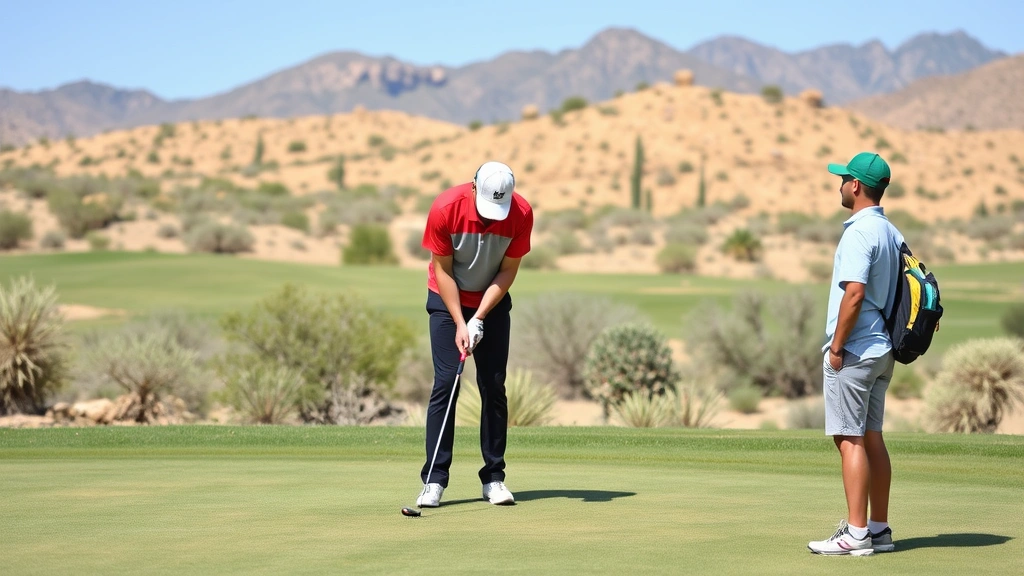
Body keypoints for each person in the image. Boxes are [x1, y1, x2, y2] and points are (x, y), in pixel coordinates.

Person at [414, 161, 534, 508]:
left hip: (491, 303)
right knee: (446, 383)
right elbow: (443, 270)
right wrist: (460, 321)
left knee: (493, 385)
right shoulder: (445, 208)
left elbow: (509, 270)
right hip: (446, 298)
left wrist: (479, 316)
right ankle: (434, 481)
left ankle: (494, 478)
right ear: (472, 188)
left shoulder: (521, 213)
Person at [808, 152, 904, 556]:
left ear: (856, 186)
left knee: (850, 439)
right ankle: (878, 529)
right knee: (871, 436)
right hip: (882, 350)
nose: (840, 183)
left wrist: (836, 348)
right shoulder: (892, 232)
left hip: (856, 350)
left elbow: (854, 294)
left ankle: (857, 534)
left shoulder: (858, 233)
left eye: (844, 178)